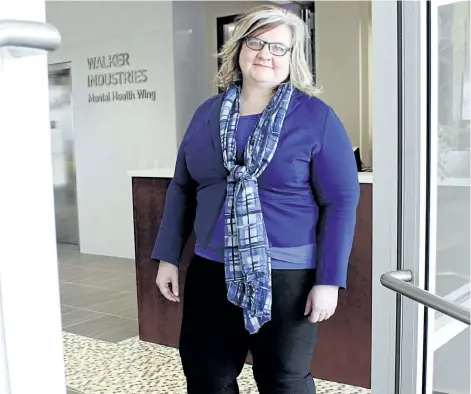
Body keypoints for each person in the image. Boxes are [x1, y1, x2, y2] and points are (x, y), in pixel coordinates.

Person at [152, 5, 360, 394]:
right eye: (256, 42)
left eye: (279, 47)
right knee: (206, 375)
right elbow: (183, 188)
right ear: (238, 49)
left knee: (283, 380)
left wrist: (329, 280)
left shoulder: (316, 117)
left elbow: (341, 202)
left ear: (292, 58)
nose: (266, 53)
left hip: (288, 278)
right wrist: (168, 257)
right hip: (211, 270)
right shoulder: (205, 115)